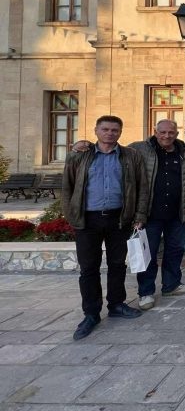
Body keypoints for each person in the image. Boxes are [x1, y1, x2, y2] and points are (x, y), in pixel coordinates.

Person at [62, 115, 148, 340]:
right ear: (96, 131)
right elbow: (67, 186)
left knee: (117, 264)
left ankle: (116, 304)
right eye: (105, 129)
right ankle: (91, 313)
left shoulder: (131, 156)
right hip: (88, 220)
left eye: (114, 130)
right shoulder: (80, 156)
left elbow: (142, 187)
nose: (110, 133)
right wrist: (71, 215)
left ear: (120, 132)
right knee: (88, 268)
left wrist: (139, 215)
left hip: (118, 218)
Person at [129, 119, 185, 310]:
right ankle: (146, 292)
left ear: (176, 133)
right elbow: (112, 148)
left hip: (177, 212)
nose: (167, 136)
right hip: (150, 214)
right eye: (163, 132)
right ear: (155, 132)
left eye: (171, 132)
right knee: (149, 253)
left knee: (175, 250)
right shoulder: (140, 149)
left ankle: (171, 285)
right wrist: (84, 146)